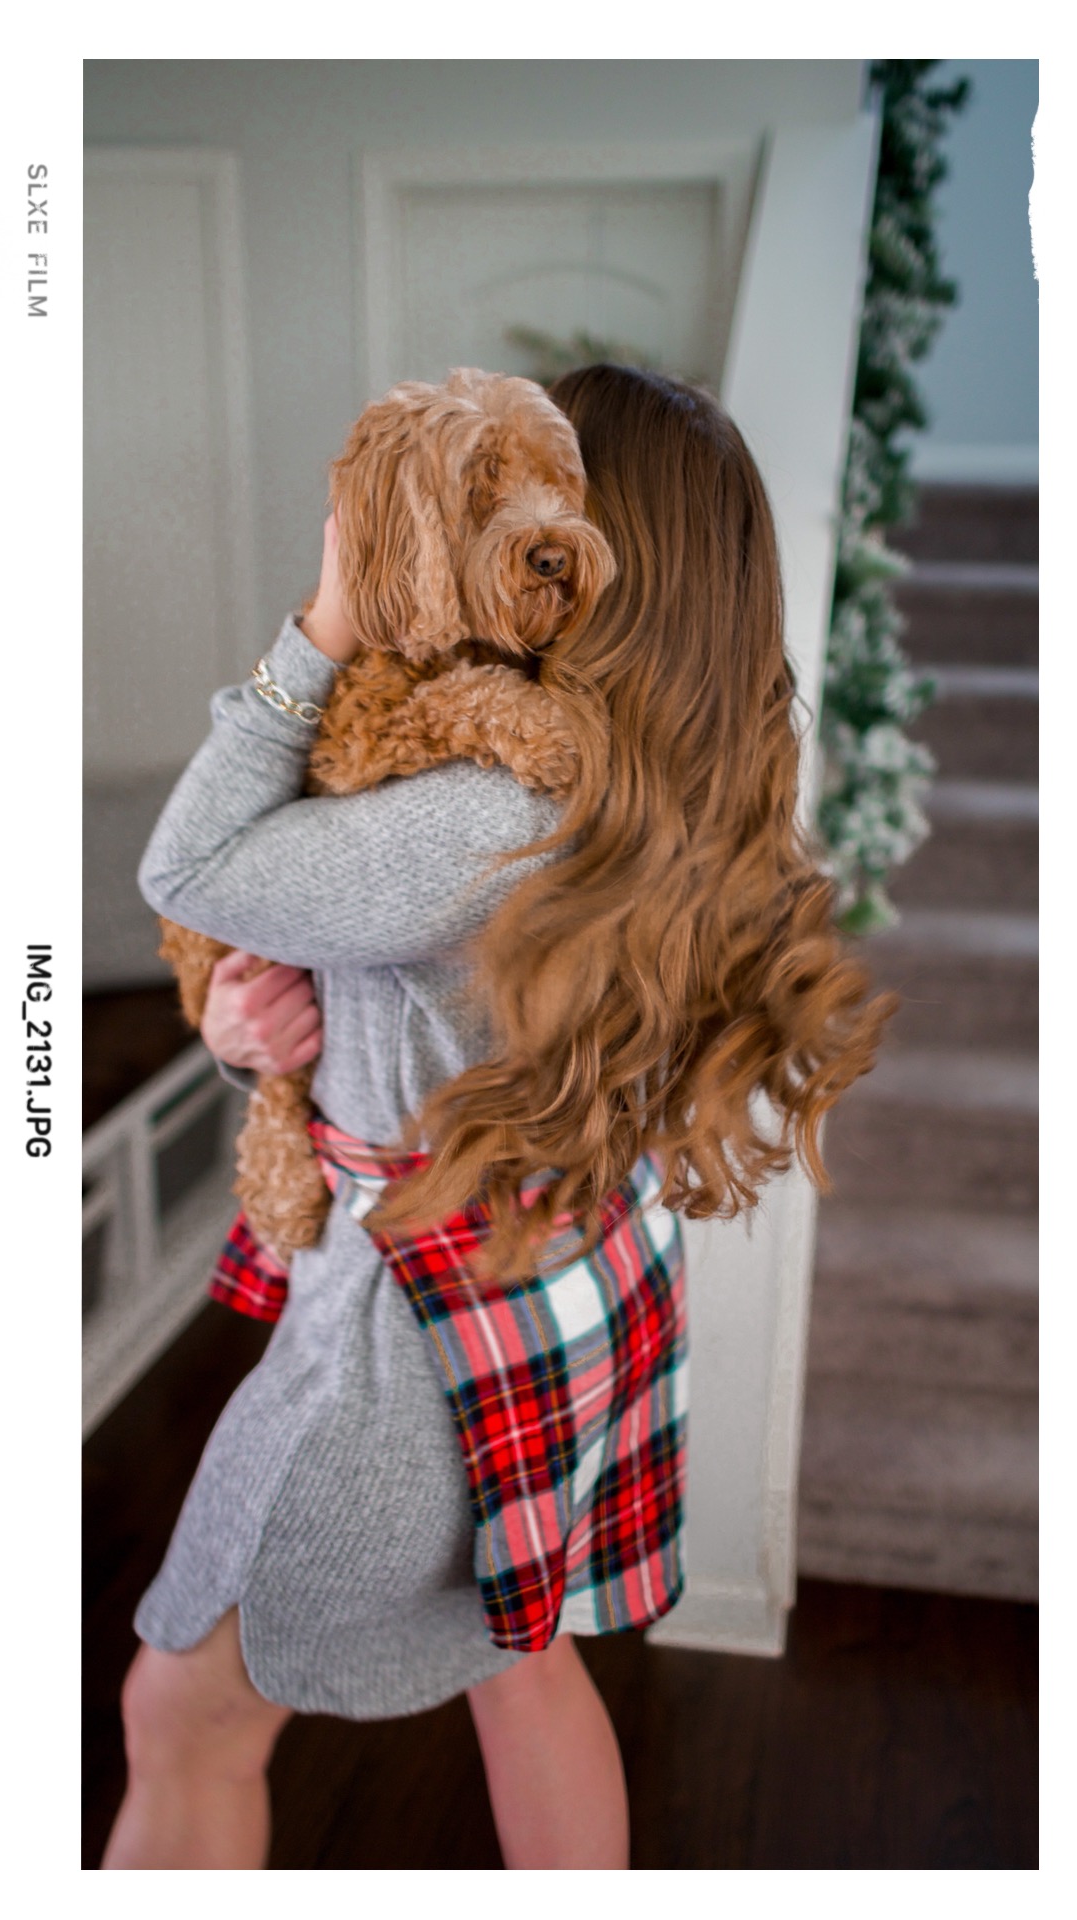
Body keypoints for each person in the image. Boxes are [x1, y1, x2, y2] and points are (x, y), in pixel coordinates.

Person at [101, 364, 889, 1871]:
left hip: (418, 1342)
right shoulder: (680, 787)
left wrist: (321, 625)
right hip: (569, 1282)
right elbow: (392, 1009)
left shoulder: (488, 813)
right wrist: (240, 1028)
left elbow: (189, 869)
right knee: (522, 1661)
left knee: (180, 1718)